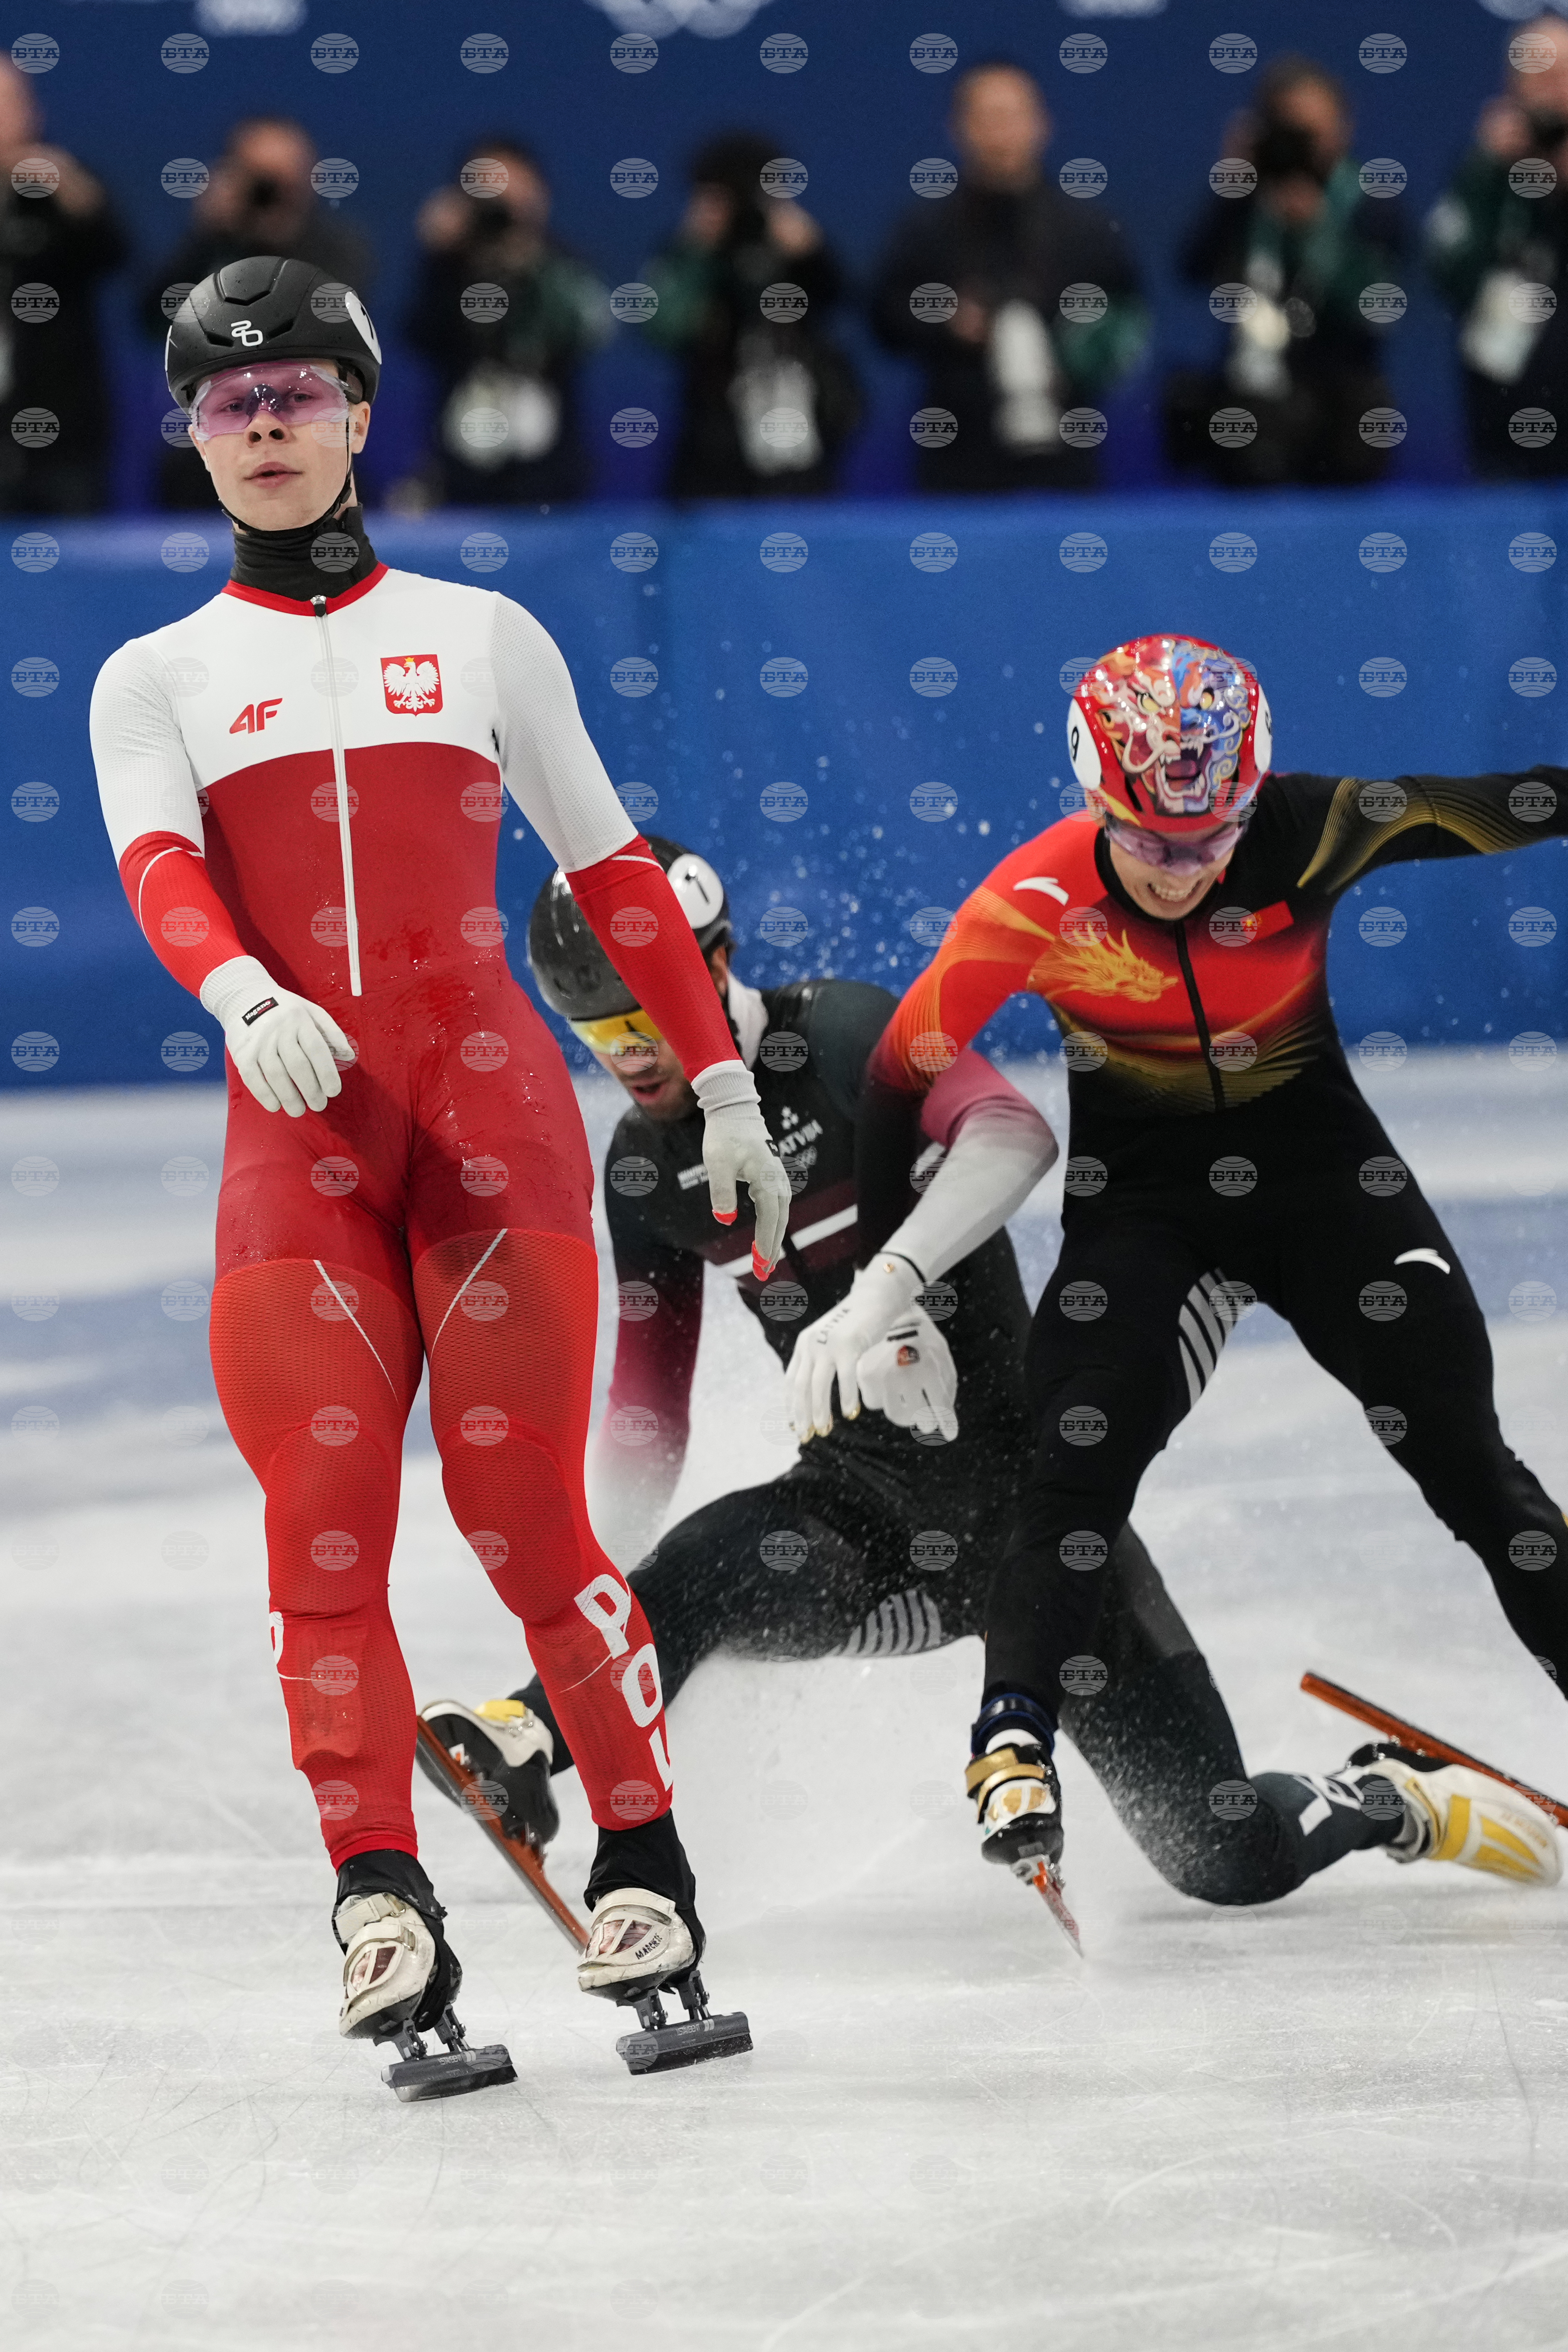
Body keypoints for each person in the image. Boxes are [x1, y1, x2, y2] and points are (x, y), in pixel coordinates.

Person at [89, 257, 789, 2087]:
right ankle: (375, 1893)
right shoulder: (155, 674)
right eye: (229, 409)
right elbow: (163, 869)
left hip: (494, 1143)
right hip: (299, 1160)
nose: (264, 432)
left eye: (296, 399)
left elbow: (617, 874)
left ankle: (645, 1864)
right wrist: (243, 989)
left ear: (358, 414)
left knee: (526, 1530)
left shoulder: (485, 638)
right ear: (192, 434)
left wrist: (715, 1082)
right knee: (321, 1536)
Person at [417, 840, 1562, 1922]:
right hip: (862, 1520)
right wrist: (576, 1592)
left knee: (1223, 1856)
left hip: (1046, 1513)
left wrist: (883, 1282)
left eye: (644, 1012)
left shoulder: (841, 1037)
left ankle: (1385, 1795)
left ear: (712, 961)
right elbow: (646, 1417)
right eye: (593, 1027)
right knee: (703, 1567)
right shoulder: (641, 1168)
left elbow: (1013, 1133)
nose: (629, 1053)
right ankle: (534, 1727)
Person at [850, 634, 1567, 1907]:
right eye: (1148, 842)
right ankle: (1008, 1739)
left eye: (1211, 838)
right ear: (1091, 802)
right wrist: (876, 1282)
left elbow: (1511, 801)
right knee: (1071, 1468)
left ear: (1249, 798)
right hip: (1146, 1212)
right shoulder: (1031, 897)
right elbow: (896, 1073)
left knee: (1470, 1467)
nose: (1181, 869)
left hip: (1324, 1188)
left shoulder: (1311, 826)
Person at [870, 59, 1145, 493]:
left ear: (1041, 124)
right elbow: (884, 318)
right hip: (959, 458)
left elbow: (1128, 322)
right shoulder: (926, 228)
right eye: (987, 118)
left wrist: (1073, 345)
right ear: (959, 127)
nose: (1001, 134)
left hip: (1066, 459)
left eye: (1012, 116)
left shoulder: (1086, 229)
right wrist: (947, 320)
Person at [1166, 54, 1406, 487]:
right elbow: (1190, 267)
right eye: (1291, 130)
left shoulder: (1369, 204)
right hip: (1252, 395)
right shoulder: (1244, 199)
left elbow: (1375, 309)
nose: (1304, 146)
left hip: (1339, 399)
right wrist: (1231, 184)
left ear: (1343, 130)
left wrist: (1315, 234)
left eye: (1315, 131)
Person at [140, 119, 373, 509]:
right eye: (261, 178)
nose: (273, 191)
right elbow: (153, 319)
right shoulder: (214, 244)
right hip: (216, 451)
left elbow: (341, 318)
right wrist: (208, 235)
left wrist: (285, 239)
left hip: (311, 442)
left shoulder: (339, 249)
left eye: (285, 177)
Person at [643, 131, 861, 498]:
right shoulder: (687, 256)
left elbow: (845, 302)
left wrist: (812, 253)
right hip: (713, 447)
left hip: (800, 444)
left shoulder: (797, 252)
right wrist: (694, 254)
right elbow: (664, 328)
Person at [404, 138, 608, 507]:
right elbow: (419, 335)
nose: (500, 208)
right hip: (460, 476)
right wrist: (437, 258)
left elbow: (592, 330)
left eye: (512, 193)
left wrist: (533, 261)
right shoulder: (451, 268)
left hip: (551, 475)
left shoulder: (559, 264)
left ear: (539, 198)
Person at [1426, 14, 1568, 478]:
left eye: (1564, 76)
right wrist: (1487, 172)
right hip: (1506, 412)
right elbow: (1448, 272)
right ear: (1512, 87)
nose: (1553, 93)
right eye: (1540, 77)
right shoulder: (1485, 170)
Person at [0, 54, 128, 514]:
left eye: (7, 103)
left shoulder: (64, 190)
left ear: (32, 111)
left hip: (60, 438)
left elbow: (114, 254)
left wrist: (70, 190)